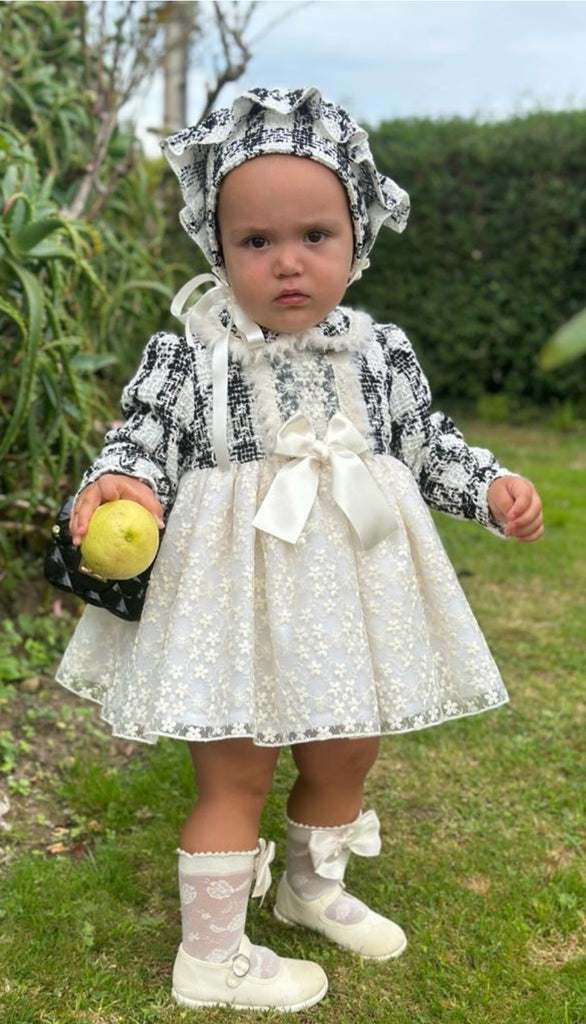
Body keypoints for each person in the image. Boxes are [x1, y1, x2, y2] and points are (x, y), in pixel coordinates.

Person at [56, 87, 543, 1012]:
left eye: (315, 235)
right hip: (233, 601)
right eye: (255, 241)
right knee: (235, 764)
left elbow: (427, 444)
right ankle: (211, 956)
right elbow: (143, 440)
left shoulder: (378, 353)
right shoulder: (194, 355)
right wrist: (124, 483)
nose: (287, 261)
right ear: (217, 248)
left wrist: (488, 487)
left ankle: (311, 888)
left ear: (357, 238)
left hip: (349, 597)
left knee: (346, 749)